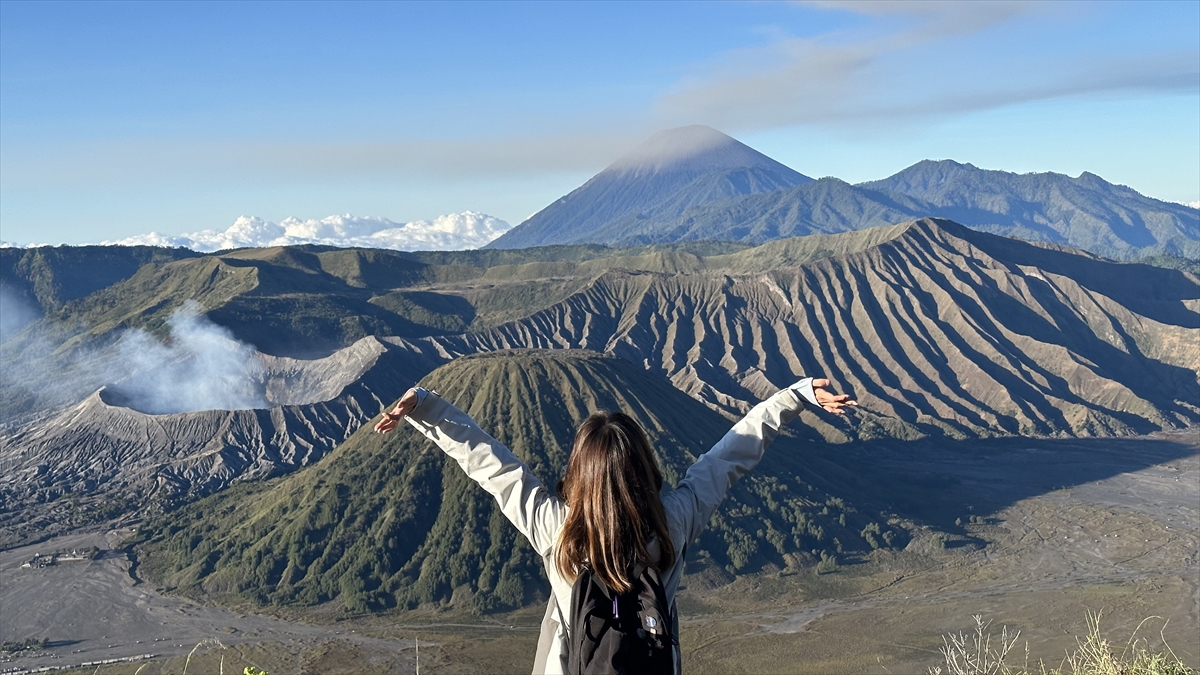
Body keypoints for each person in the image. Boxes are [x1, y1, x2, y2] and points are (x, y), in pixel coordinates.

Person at [374, 375, 856, 675]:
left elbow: (491, 465)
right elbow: (730, 454)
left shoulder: (557, 531)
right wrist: (794, 397)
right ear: (645, 468)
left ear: (577, 473)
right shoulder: (673, 523)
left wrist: (425, 406)